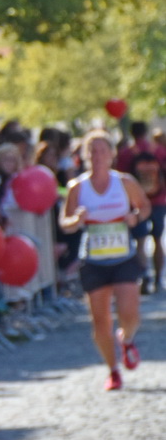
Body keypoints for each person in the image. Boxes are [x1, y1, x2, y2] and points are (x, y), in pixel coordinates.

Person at [61, 131, 151, 390]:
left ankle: (127, 338)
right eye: (92, 151)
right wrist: (75, 220)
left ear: (112, 154)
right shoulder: (77, 187)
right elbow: (64, 223)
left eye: (102, 150)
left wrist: (135, 217)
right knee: (100, 321)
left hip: (123, 256)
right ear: (84, 155)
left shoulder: (124, 182)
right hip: (94, 261)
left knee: (130, 314)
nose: (97, 156)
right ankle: (113, 370)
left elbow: (143, 206)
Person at [127, 146, 166, 292]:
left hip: (138, 203)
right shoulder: (158, 150)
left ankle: (144, 278)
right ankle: (158, 281)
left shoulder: (128, 151)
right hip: (159, 201)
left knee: (141, 242)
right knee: (158, 240)